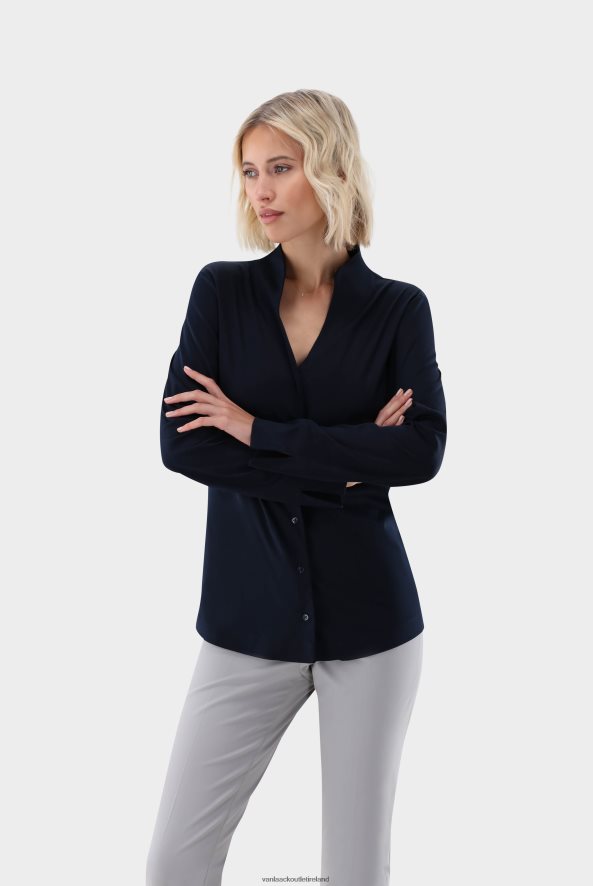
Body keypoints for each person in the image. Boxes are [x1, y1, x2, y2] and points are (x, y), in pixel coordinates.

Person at [146, 89, 447, 886]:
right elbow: (182, 445)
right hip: (246, 620)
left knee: (354, 872)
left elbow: (420, 451)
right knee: (175, 862)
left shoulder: (397, 310)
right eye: (250, 172)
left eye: (280, 168)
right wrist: (349, 468)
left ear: (331, 169)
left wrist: (256, 431)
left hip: (372, 626)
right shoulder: (221, 294)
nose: (262, 191)